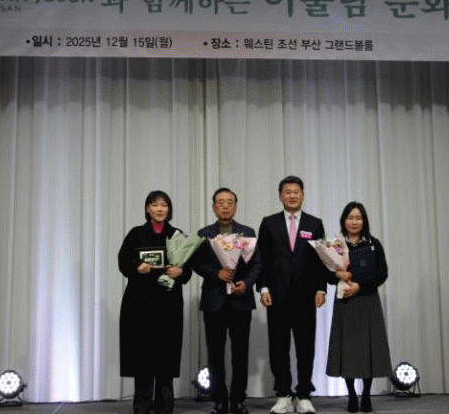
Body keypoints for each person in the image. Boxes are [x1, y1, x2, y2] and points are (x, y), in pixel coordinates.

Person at [118, 191, 193, 414]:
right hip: (139, 304)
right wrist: (137, 266)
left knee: (165, 357)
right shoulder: (136, 234)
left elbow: (188, 268)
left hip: (168, 304)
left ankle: (164, 407)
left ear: (169, 209)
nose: (159, 209)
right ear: (147, 209)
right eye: (154, 205)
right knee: (142, 357)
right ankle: (141, 407)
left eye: (164, 205)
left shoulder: (177, 235)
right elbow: (123, 261)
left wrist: (181, 271)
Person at [257, 176, 327, 414]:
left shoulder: (314, 223)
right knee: (278, 348)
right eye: (287, 192)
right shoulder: (269, 223)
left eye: (296, 191)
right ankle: (284, 394)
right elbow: (261, 258)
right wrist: (263, 288)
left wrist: (321, 288)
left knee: (306, 348)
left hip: (306, 296)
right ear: (280, 196)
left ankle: (304, 394)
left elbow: (322, 260)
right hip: (277, 296)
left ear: (303, 194)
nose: (292, 196)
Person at [193, 188, 260, 414]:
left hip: (241, 299)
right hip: (214, 300)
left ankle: (238, 399)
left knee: (240, 353)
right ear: (214, 207)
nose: (225, 206)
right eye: (220, 202)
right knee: (215, 354)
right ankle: (219, 399)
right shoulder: (204, 233)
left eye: (230, 202)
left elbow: (257, 264)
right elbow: (196, 263)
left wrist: (247, 283)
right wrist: (216, 273)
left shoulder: (247, 232)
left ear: (236, 206)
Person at [327, 202, 392, 414]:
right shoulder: (335, 245)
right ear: (343, 220)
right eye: (350, 218)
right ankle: (352, 395)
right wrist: (337, 274)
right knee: (347, 350)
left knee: (367, 350)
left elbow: (382, 273)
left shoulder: (373, 244)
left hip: (367, 301)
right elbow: (327, 275)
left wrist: (360, 286)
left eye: (358, 218)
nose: (354, 222)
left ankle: (365, 395)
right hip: (345, 302)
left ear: (364, 221)